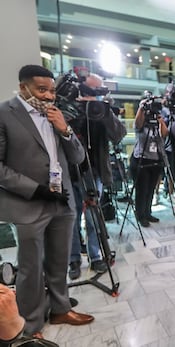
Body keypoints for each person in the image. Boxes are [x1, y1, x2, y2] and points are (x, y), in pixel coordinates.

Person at [0, 65, 94, 339]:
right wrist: (36, 190)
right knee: (30, 267)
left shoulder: (55, 115)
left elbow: (77, 159)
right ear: (23, 88)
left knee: (59, 260)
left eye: (51, 90)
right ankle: (30, 325)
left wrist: (64, 129)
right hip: (29, 203)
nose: (49, 96)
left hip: (62, 202)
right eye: (42, 90)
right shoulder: (5, 113)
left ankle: (61, 308)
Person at [68, 73, 127, 280]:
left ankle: (95, 256)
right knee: (71, 217)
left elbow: (119, 135)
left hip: (96, 172)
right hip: (70, 172)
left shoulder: (102, 110)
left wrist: (103, 111)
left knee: (93, 219)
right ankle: (74, 259)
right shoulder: (68, 107)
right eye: (91, 90)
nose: (94, 94)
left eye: (99, 90)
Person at [130, 96, 169, 227]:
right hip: (142, 160)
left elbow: (165, 134)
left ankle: (147, 212)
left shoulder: (156, 125)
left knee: (151, 189)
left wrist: (161, 121)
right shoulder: (141, 125)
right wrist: (142, 107)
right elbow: (137, 123)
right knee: (142, 190)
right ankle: (140, 215)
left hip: (156, 161)